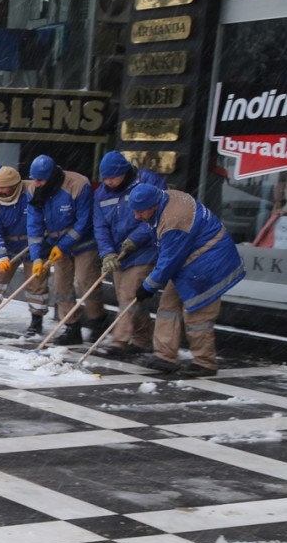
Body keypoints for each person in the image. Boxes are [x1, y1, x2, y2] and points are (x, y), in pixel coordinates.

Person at [130, 184, 245, 376]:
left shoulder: (175, 220)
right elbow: (156, 231)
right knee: (168, 306)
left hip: (209, 266)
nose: (136, 216)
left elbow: (169, 260)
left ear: (153, 206)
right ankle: (164, 356)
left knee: (198, 315)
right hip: (189, 262)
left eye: (140, 211)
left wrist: (148, 287)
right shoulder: (165, 200)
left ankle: (205, 362)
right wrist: (134, 239)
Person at [92, 151, 166, 358]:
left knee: (128, 294)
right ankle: (143, 340)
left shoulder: (149, 182)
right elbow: (100, 226)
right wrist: (107, 253)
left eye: (112, 177)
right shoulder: (102, 194)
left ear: (124, 172)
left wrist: (136, 239)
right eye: (105, 178)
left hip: (145, 249)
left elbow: (157, 217)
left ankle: (119, 342)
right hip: (118, 252)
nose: (109, 182)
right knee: (131, 298)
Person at [27, 155, 101, 345]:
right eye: (34, 179)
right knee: (61, 287)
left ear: (51, 176)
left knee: (87, 283)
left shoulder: (77, 184)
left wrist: (64, 245)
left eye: (41, 180)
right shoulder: (36, 190)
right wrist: (36, 257)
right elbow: (34, 226)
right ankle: (71, 327)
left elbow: (84, 221)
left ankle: (97, 320)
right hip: (57, 245)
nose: (37, 183)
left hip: (83, 243)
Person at [0, 167, 49, 335]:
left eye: (4, 187)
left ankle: (36, 320)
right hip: (9, 246)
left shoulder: (31, 193)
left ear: (14, 185)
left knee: (36, 283)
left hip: (33, 245)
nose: (0, 191)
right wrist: (1, 255)